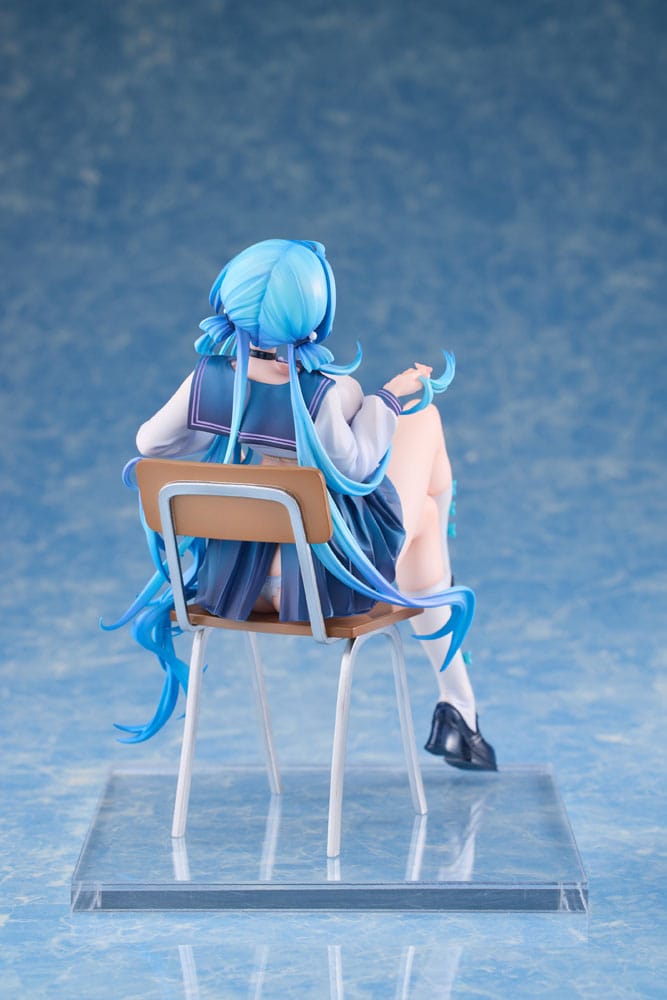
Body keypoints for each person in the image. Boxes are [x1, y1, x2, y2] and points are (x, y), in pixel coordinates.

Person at [108, 239, 495, 770]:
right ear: (314, 311)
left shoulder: (205, 380)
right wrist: (387, 396)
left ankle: (460, 706)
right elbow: (356, 466)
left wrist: (225, 425)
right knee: (424, 437)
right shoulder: (329, 392)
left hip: (232, 589)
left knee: (423, 517)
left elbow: (151, 444)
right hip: (322, 590)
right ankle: (459, 703)